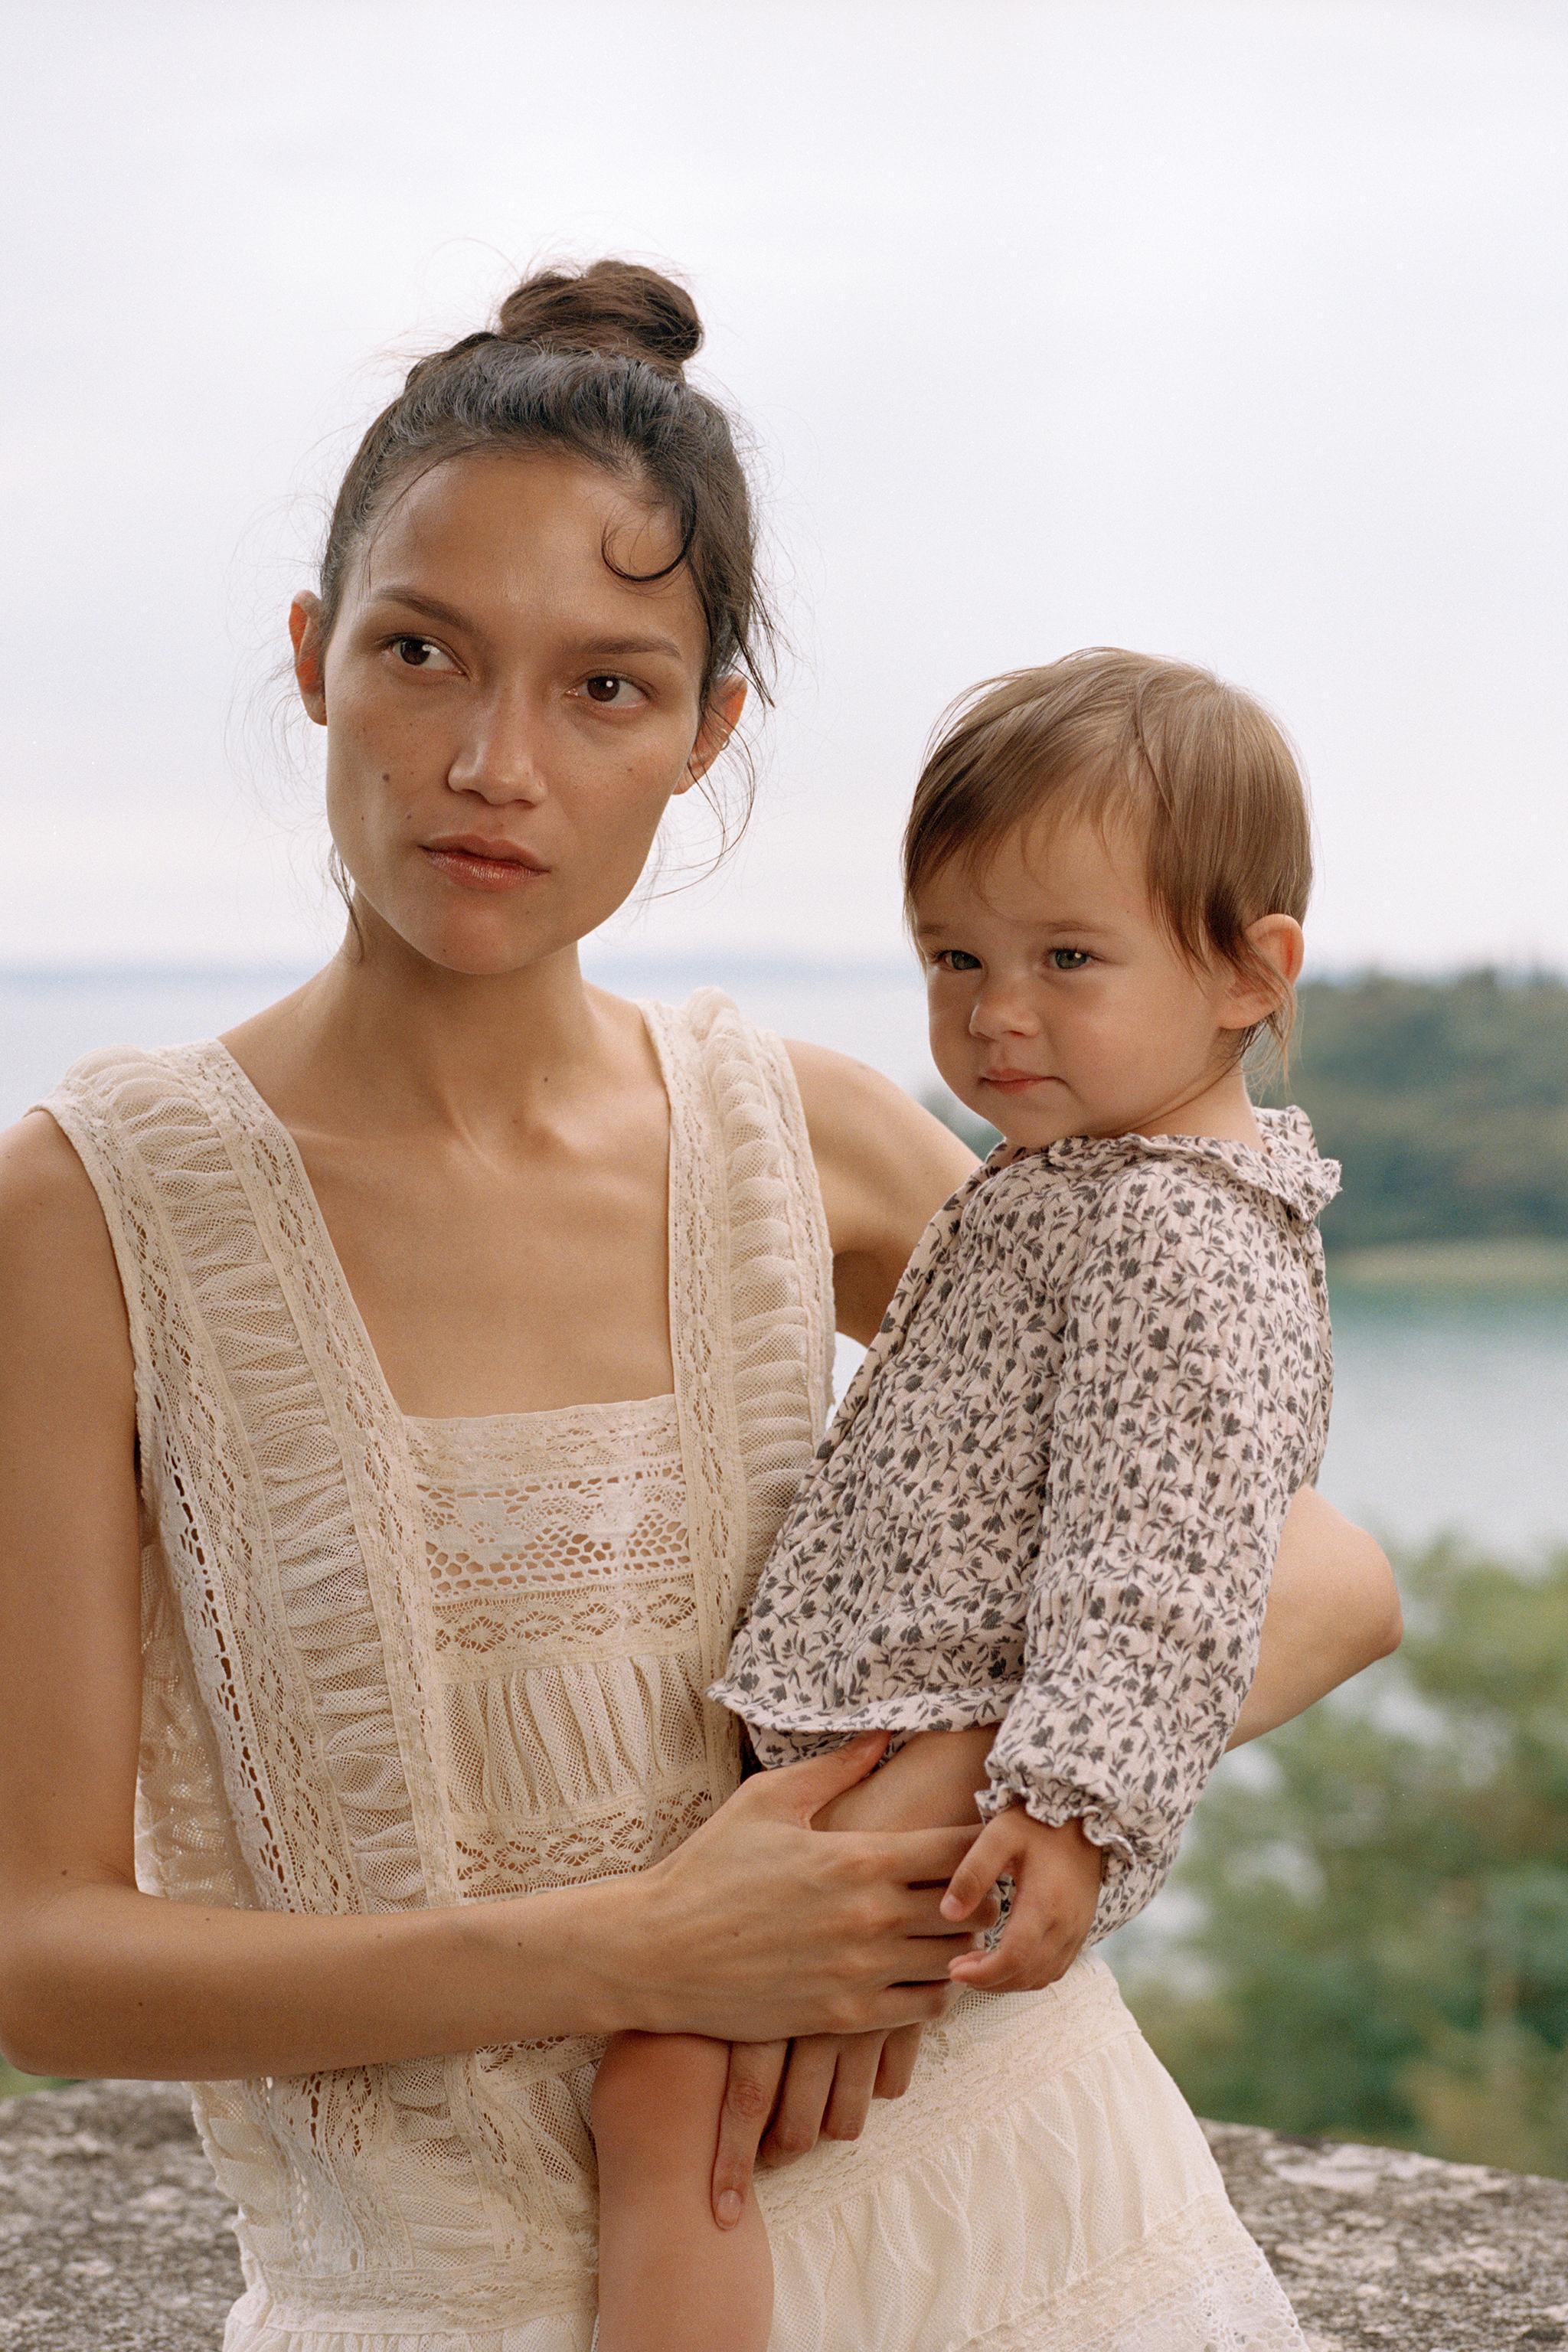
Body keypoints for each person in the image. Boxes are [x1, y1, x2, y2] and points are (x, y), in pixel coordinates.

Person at [0, 263, 1400, 2352]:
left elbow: (1322, 1569)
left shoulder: (800, 1141)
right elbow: (43, 1955)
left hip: (1024, 2227)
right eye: (422, 653)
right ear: (313, 660)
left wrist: (907, 1841)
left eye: (606, 688)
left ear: (707, 732)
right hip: (445, 2298)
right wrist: (651, 1948)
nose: (493, 763)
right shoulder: (86, 1217)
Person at [591, 648, 1340, 2350]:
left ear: (1246, 969)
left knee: (660, 2092)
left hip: (946, 1749)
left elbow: (1168, 1562)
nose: (997, 1013)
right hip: (888, 1728)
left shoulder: (1176, 1230)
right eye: (955, 959)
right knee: (713, 2110)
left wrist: (1074, 1808)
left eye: (1067, 960)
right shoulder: (1073, 1184)